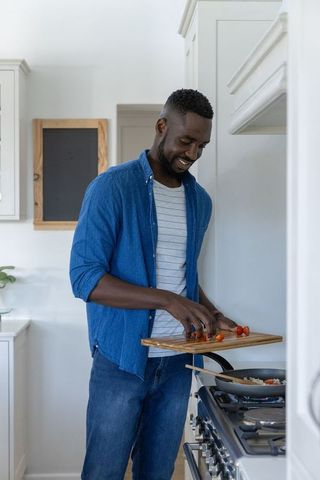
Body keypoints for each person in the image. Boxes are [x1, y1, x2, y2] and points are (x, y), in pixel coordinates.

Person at [70, 88, 236, 480]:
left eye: (202, 144)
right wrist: (167, 301)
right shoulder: (111, 188)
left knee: (158, 472)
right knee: (103, 472)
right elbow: (85, 278)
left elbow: (182, 277)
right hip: (121, 359)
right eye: (186, 140)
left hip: (178, 360)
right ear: (162, 127)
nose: (193, 153)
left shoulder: (200, 202)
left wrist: (210, 311)